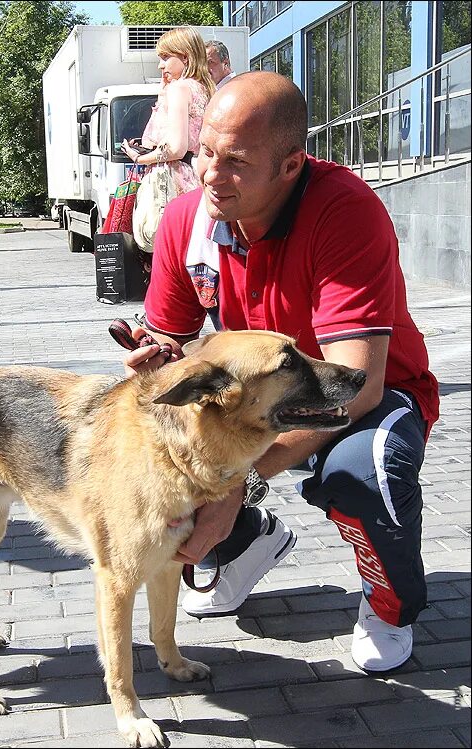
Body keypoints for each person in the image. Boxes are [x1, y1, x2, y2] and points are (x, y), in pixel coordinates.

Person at [124, 71, 439, 674]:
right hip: (261, 398)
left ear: (291, 165)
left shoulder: (345, 212)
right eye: (206, 152)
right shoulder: (188, 217)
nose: (211, 175)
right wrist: (156, 358)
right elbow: (170, 338)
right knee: (158, 453)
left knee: (360, 471)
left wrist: (236, 480)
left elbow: (360, 384)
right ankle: (247, 544)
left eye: (236, 162)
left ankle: (390, 603)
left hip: (364, 395)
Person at [121, 26, 216, 197]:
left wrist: (138, 157)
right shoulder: (205, 89)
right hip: (193, 178)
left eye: (165, 57)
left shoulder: (179, 88)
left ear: (185, 57)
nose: (160, 65)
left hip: (169, 181)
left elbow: (175, 149)